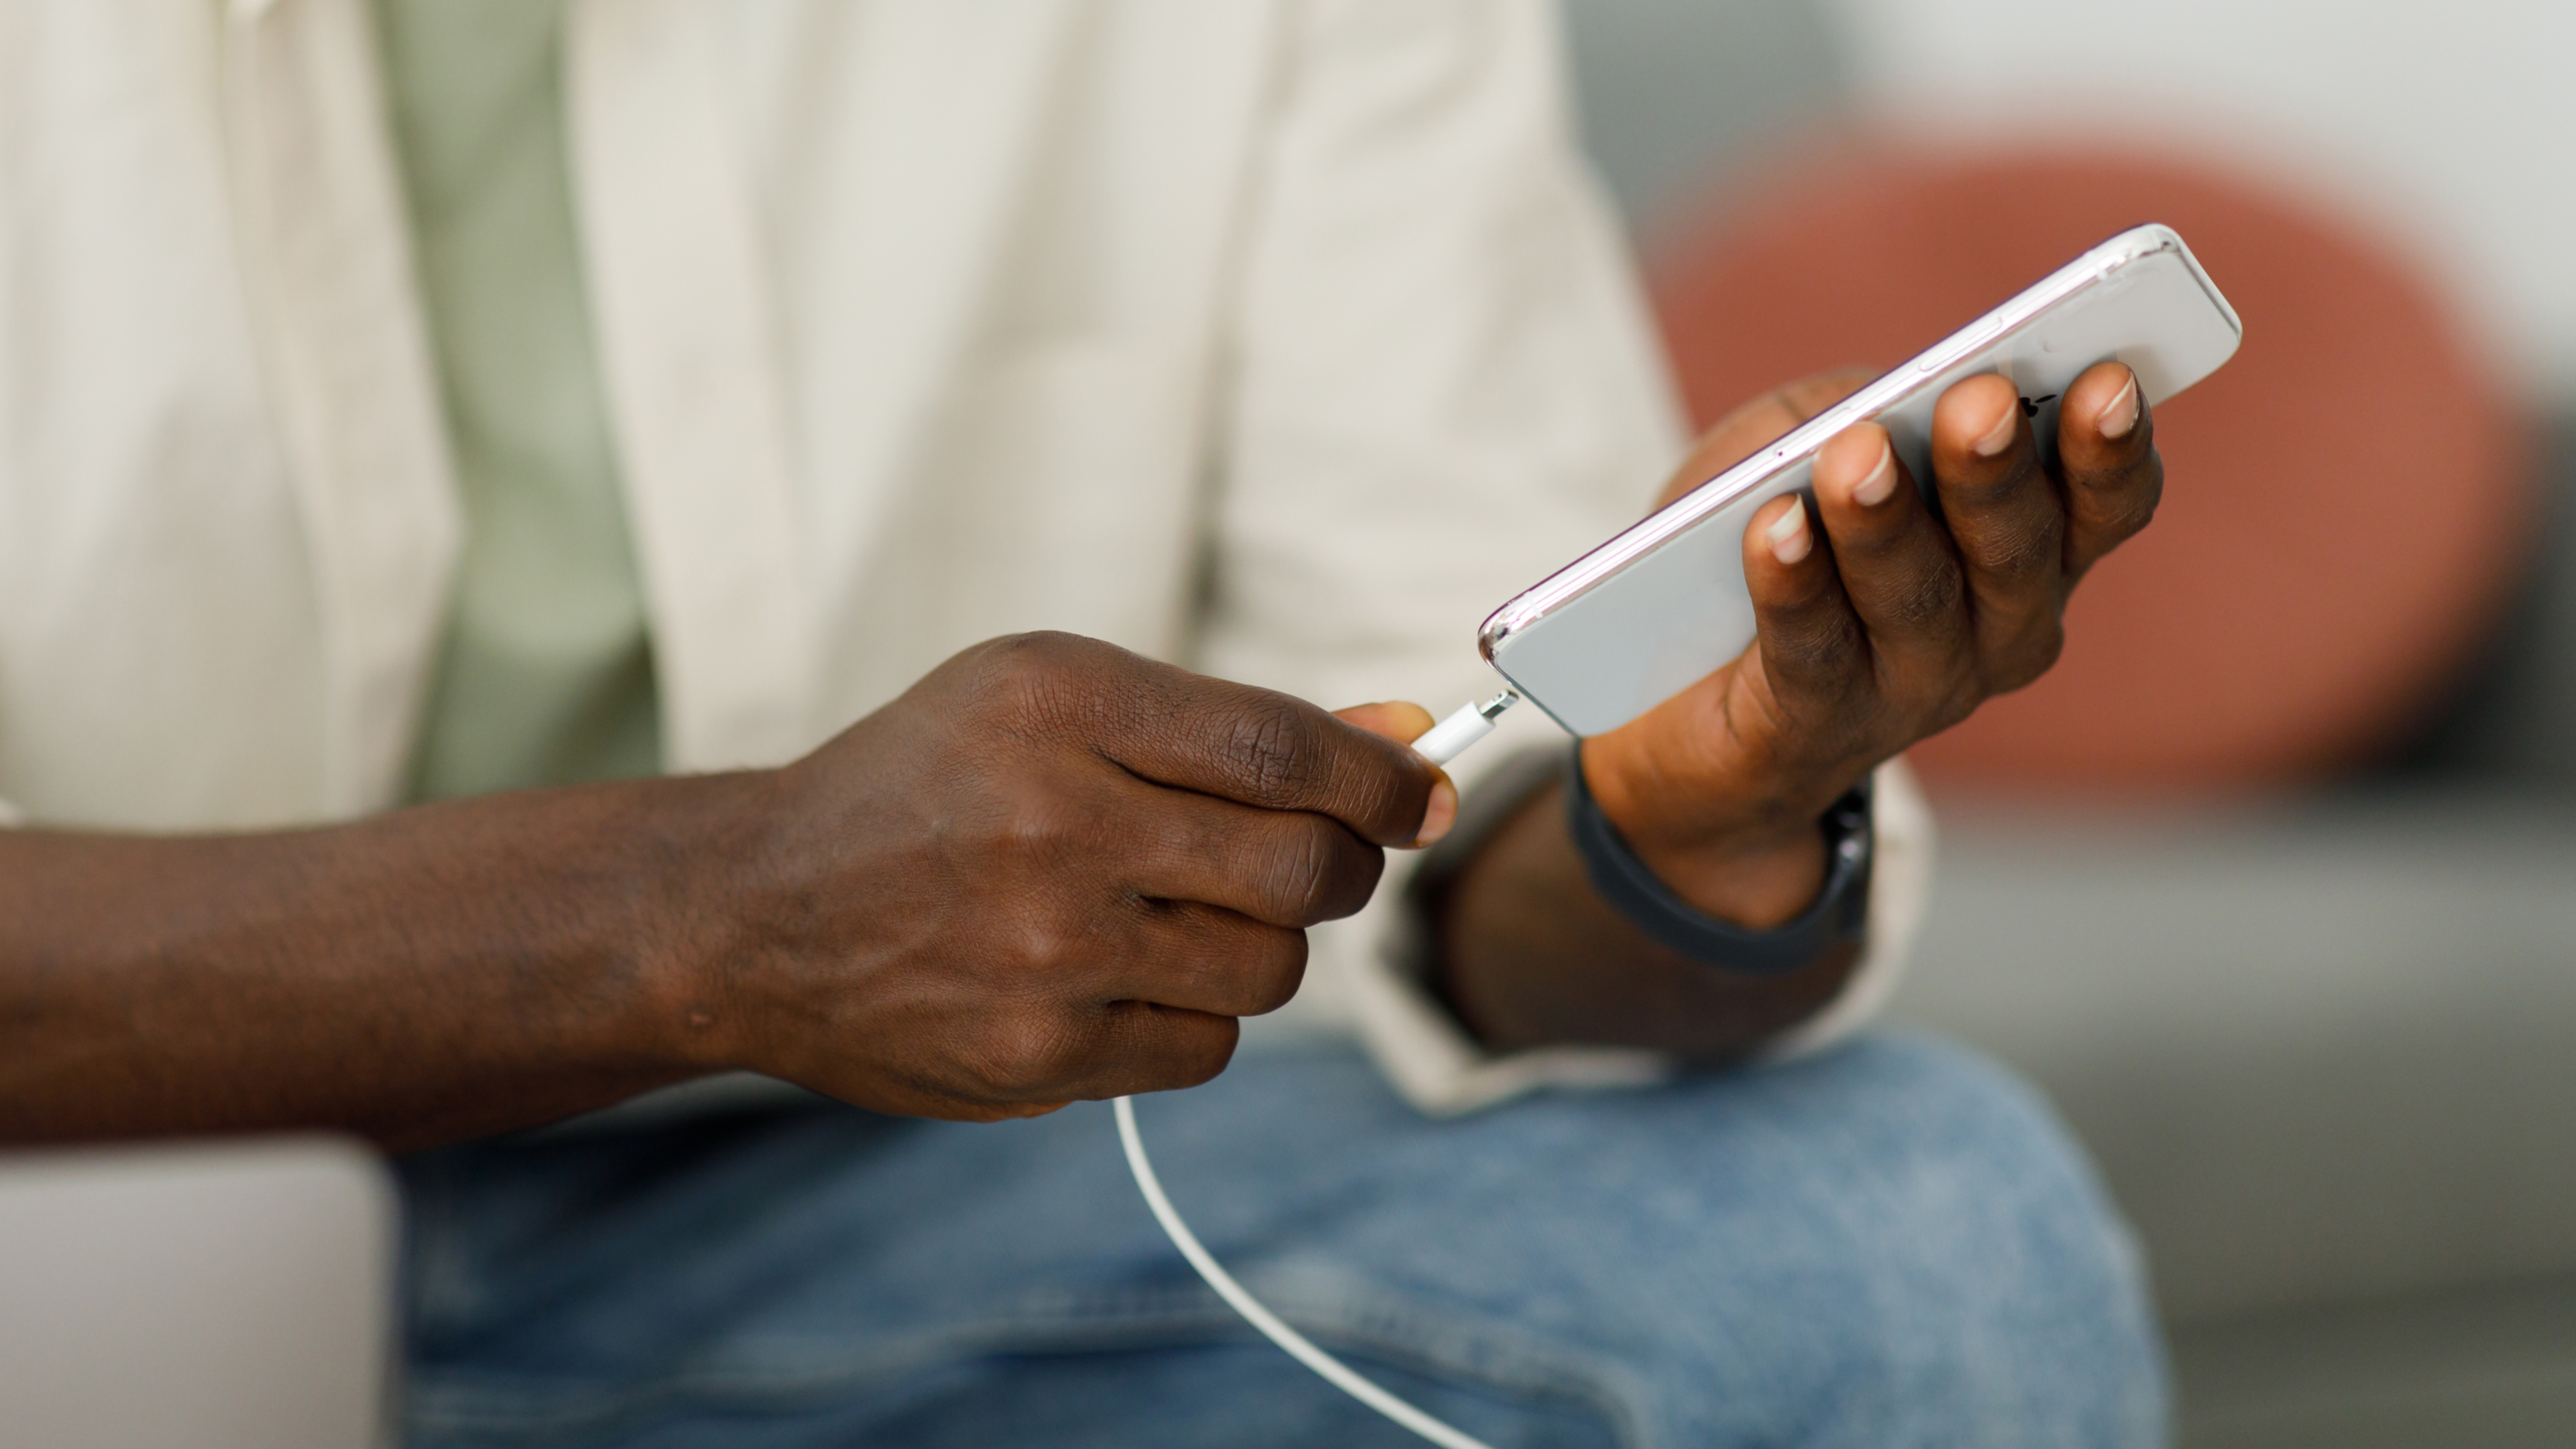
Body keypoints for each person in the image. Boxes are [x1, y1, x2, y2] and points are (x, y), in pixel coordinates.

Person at [0, 1, 2166, 1443]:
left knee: (1918, 1222)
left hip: (875, 1216)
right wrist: (704, 910)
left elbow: (1446, 845)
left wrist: (1682, 823)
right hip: (90, 1242)